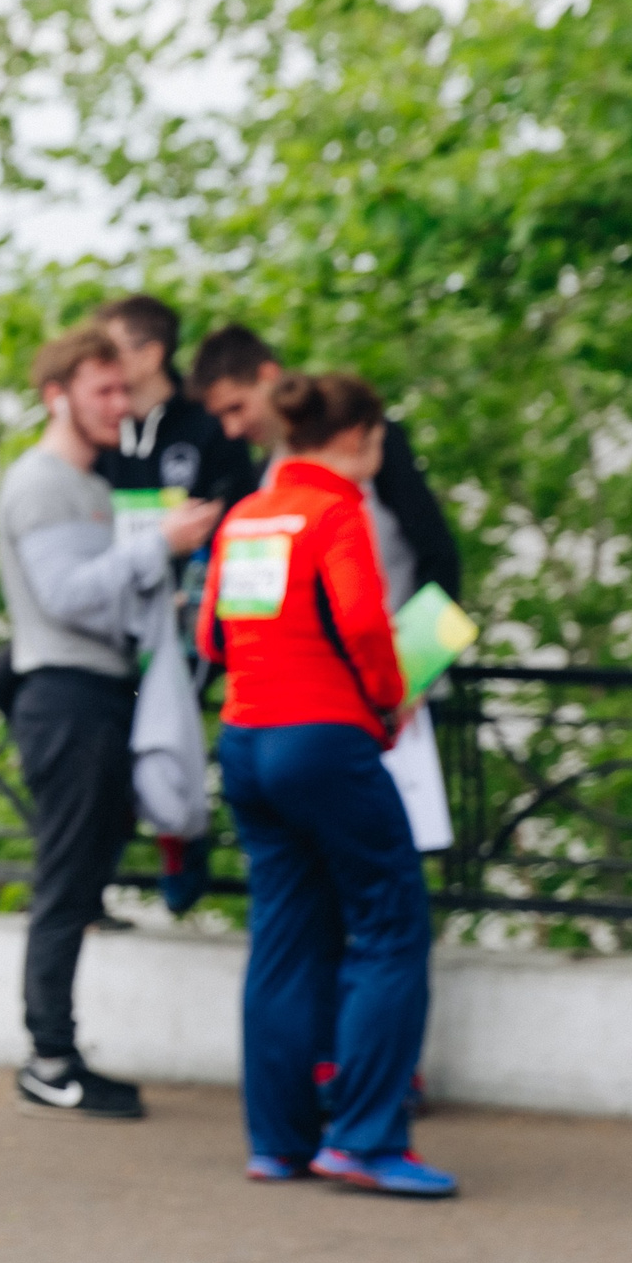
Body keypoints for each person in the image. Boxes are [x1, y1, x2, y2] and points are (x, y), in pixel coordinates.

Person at [196, 373, 457, 1199]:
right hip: (324, 739)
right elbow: (363, 626)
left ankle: (277, 1141)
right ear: (356, 437)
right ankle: (366, 1139)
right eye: (379, 441)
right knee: (389, 926)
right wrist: (391, 698)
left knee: (282, 935)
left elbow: (211, 634)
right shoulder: (337, 512)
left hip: (246, 740)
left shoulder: (246, 516)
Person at [0, 326, 221, 1119]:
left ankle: (57, 1047)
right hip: (65, 695)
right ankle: (48, 1055)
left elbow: (104, 592)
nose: (120, 406)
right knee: (66, 881)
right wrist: (159, 545)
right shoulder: (44, 483)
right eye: (103, 391)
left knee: (83, 878)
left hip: (95, 691)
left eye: (124, 391)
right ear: (58, 394)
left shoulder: (89, 484)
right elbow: (67, 595)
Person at [191, 324, 460, 607]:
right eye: (221, 416)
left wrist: (423, 650)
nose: (231, 430)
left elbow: (439, 557)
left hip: (397, 640)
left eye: (237, 407)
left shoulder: (371, 444)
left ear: (268, 376)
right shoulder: (259, 481)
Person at [91, 295, 260, 512]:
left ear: (151, 356)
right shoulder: (99, 428)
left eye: (109, 352)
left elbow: (238, 512)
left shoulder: (213, 422)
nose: (97, 362)